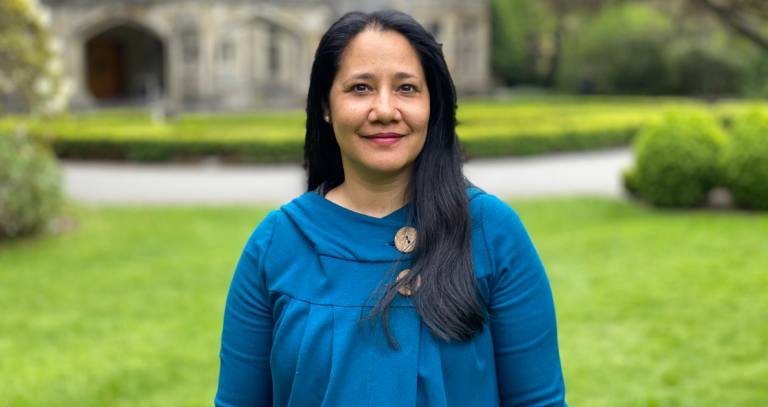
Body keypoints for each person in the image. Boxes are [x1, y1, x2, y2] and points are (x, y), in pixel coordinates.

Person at [215, 10, 567, 407]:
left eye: (407, 88)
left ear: (433, 104)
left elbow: (539, 402)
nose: (384, 110)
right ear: (325, 106)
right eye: (360, 88)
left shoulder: (492, 233)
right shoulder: (277, 244)